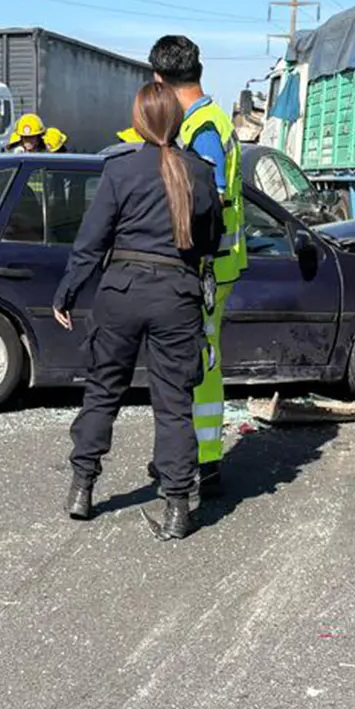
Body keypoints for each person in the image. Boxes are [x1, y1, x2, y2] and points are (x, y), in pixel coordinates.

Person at [53, 82, 223, 541]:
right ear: (177, 120)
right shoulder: (200, 173)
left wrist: (67, 292)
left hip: (121, 292)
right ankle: (176, 509)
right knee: (173, 406)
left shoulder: (120, 169)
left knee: (103, 392)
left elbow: (91, 241)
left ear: (139, 122)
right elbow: (211, 241)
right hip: (177, 296)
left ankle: (82, 490)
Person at [148, 35, 248, 498]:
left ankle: (203, 462)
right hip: (216, 264)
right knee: (200, 360)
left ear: (159, 80)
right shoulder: (204, 120)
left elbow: (206, 200)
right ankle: (190, 455)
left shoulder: (203, 128)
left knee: (201, 363)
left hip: (211, 266)